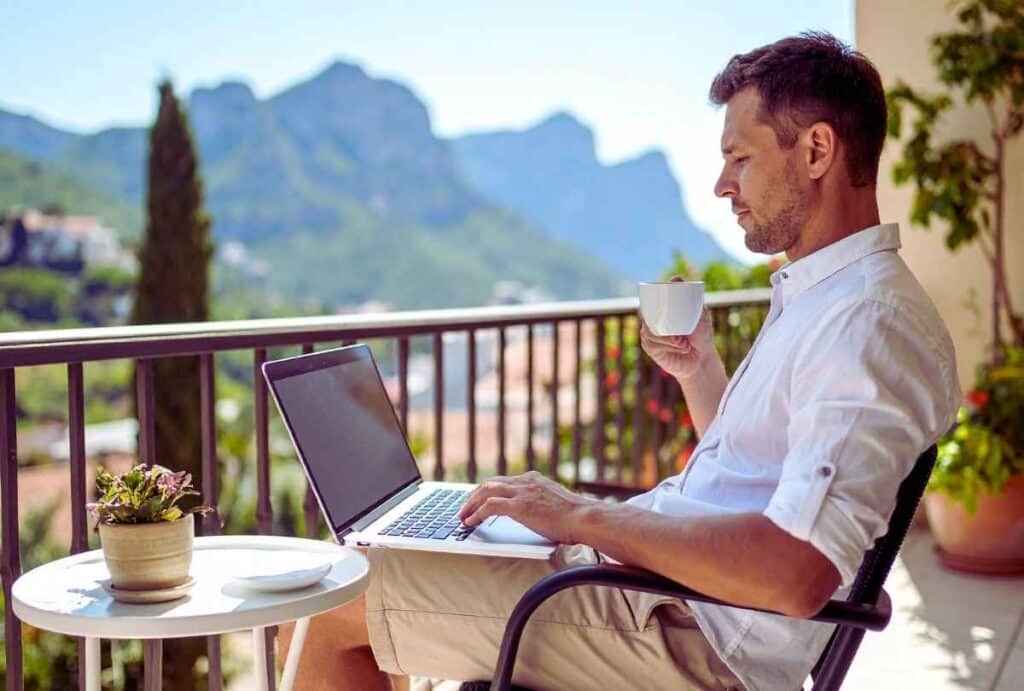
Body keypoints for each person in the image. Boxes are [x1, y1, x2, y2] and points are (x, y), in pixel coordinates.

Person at [279, 31, 961, 691]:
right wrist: (699, 373)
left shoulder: (866, 323)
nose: (723, 184)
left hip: (688, 639)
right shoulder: (829, 298)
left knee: (330, 603)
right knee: (387, 562)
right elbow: (760, 469)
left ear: (816, 150)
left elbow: (793, 569)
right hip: (659, 597)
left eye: (741, 158)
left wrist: (581, 517)